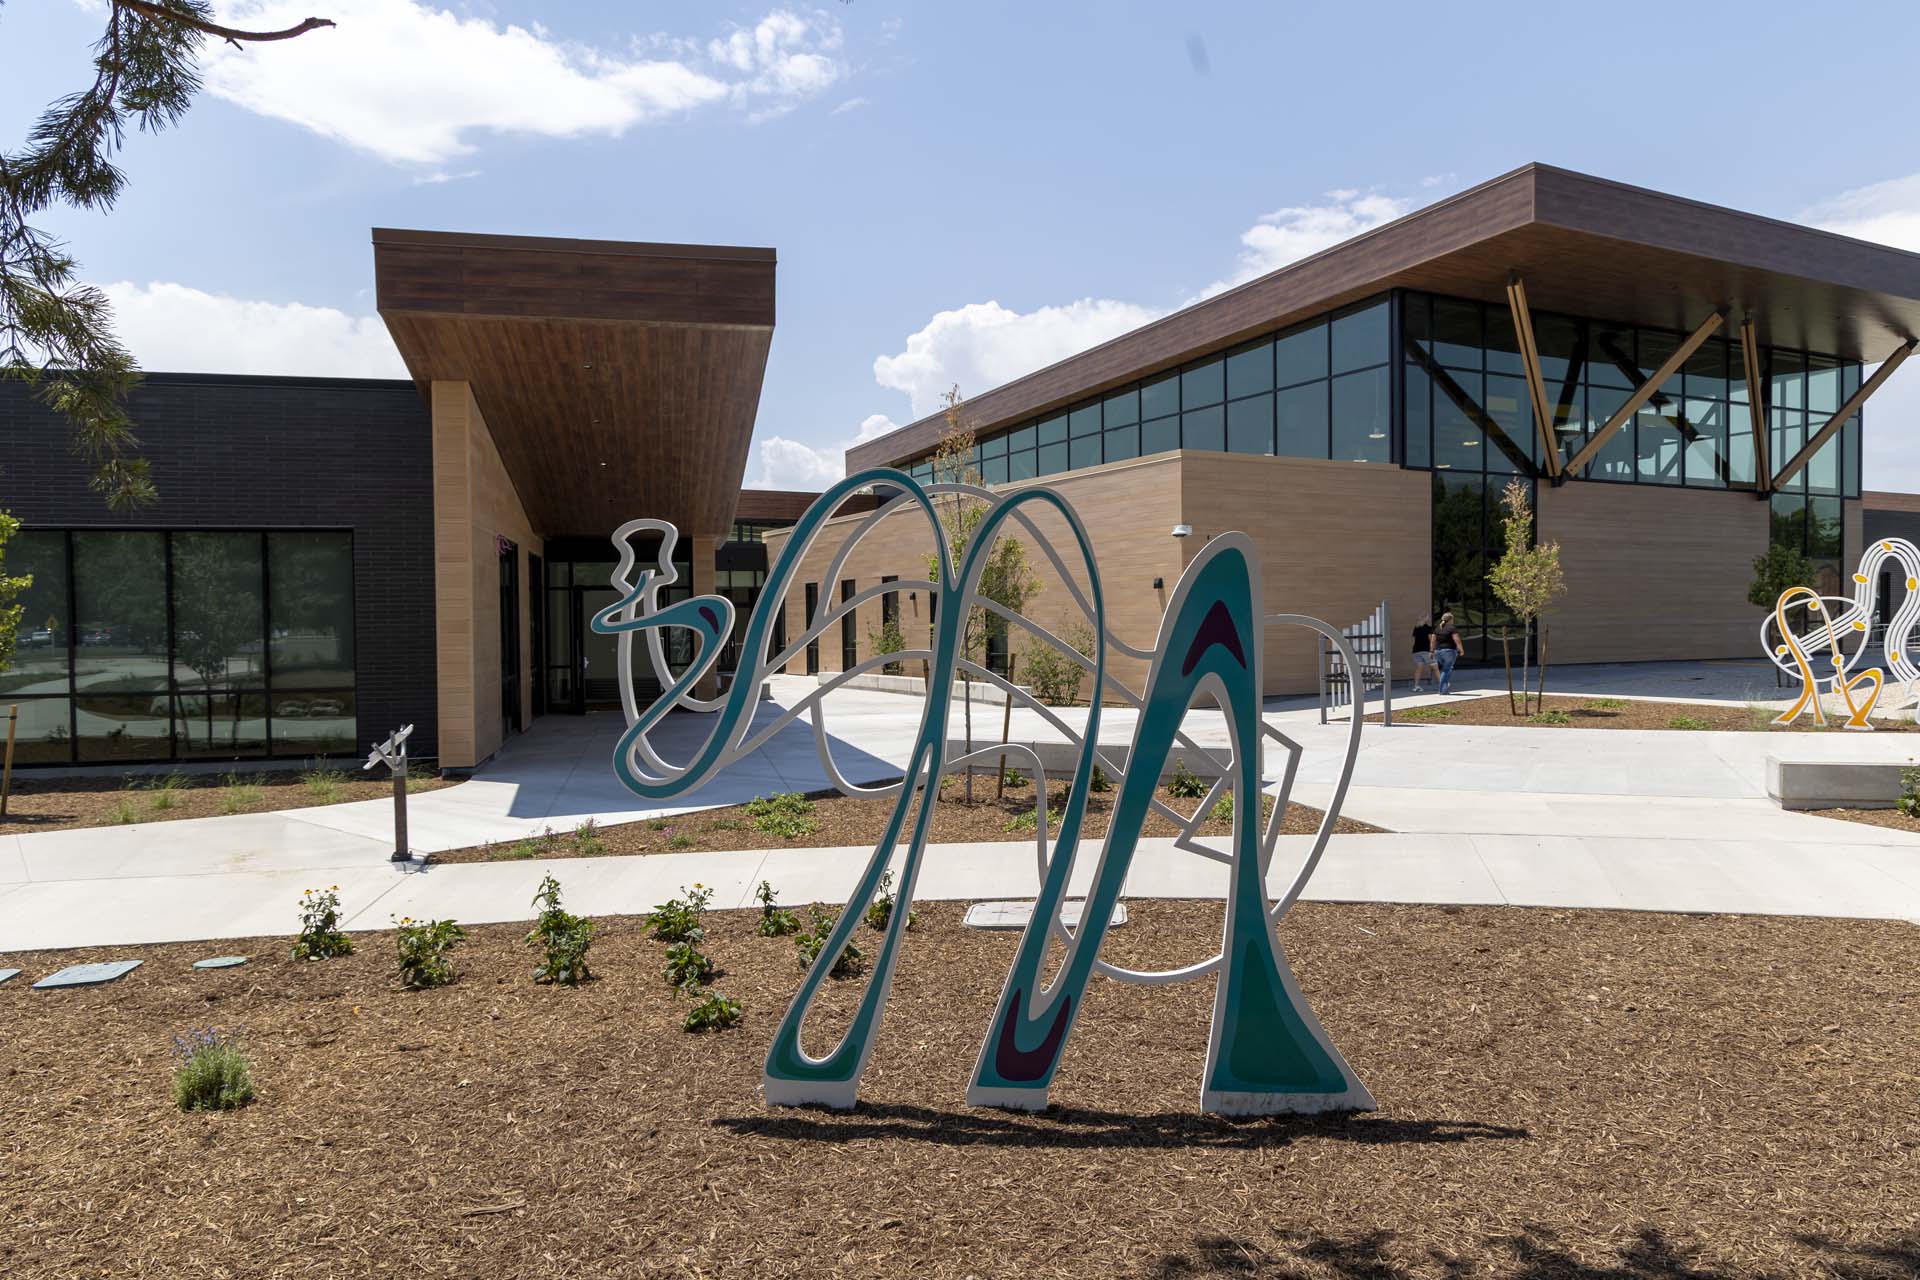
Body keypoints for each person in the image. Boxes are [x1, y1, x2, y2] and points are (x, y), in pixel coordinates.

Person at [1433, 611, 1464, 694]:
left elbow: (1433, 641)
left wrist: (1431, 651)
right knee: (1446, 670)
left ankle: (1445, 688)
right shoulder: (1452, 628)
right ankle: (1441, 690)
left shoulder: (1437, 628)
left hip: (1437, 651)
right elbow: (1457, 639)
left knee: (1446, 670)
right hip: (1449, 651)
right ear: (1450, 620)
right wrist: (1461, 649)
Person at [1410, 614, 1437, 693]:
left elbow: (1414, 639)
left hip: (1416, 651)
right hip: (1426, 650)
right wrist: (1432, 650)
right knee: (1435, 667)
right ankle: (1442, 686)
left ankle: (1416, 686)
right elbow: (1431, 640)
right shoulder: (1428, 628)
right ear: (1425, 618)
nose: (1429, 618)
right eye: (1428, 617)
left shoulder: (1416, 628)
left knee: (1419, 669)